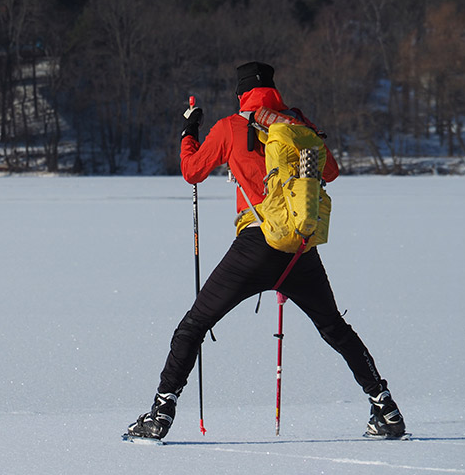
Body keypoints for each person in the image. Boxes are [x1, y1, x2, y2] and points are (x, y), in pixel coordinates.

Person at [126, 61, 406, 440]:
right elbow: (332, 172)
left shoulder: (230, 127)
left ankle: (160, 414)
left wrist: (188, 130)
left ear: (241, 93)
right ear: (273, 90)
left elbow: (192, 171)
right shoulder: (295, 126)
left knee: (192, 326)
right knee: (334, 328)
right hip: (297, 249)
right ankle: (385, 408)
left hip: (255, 246)